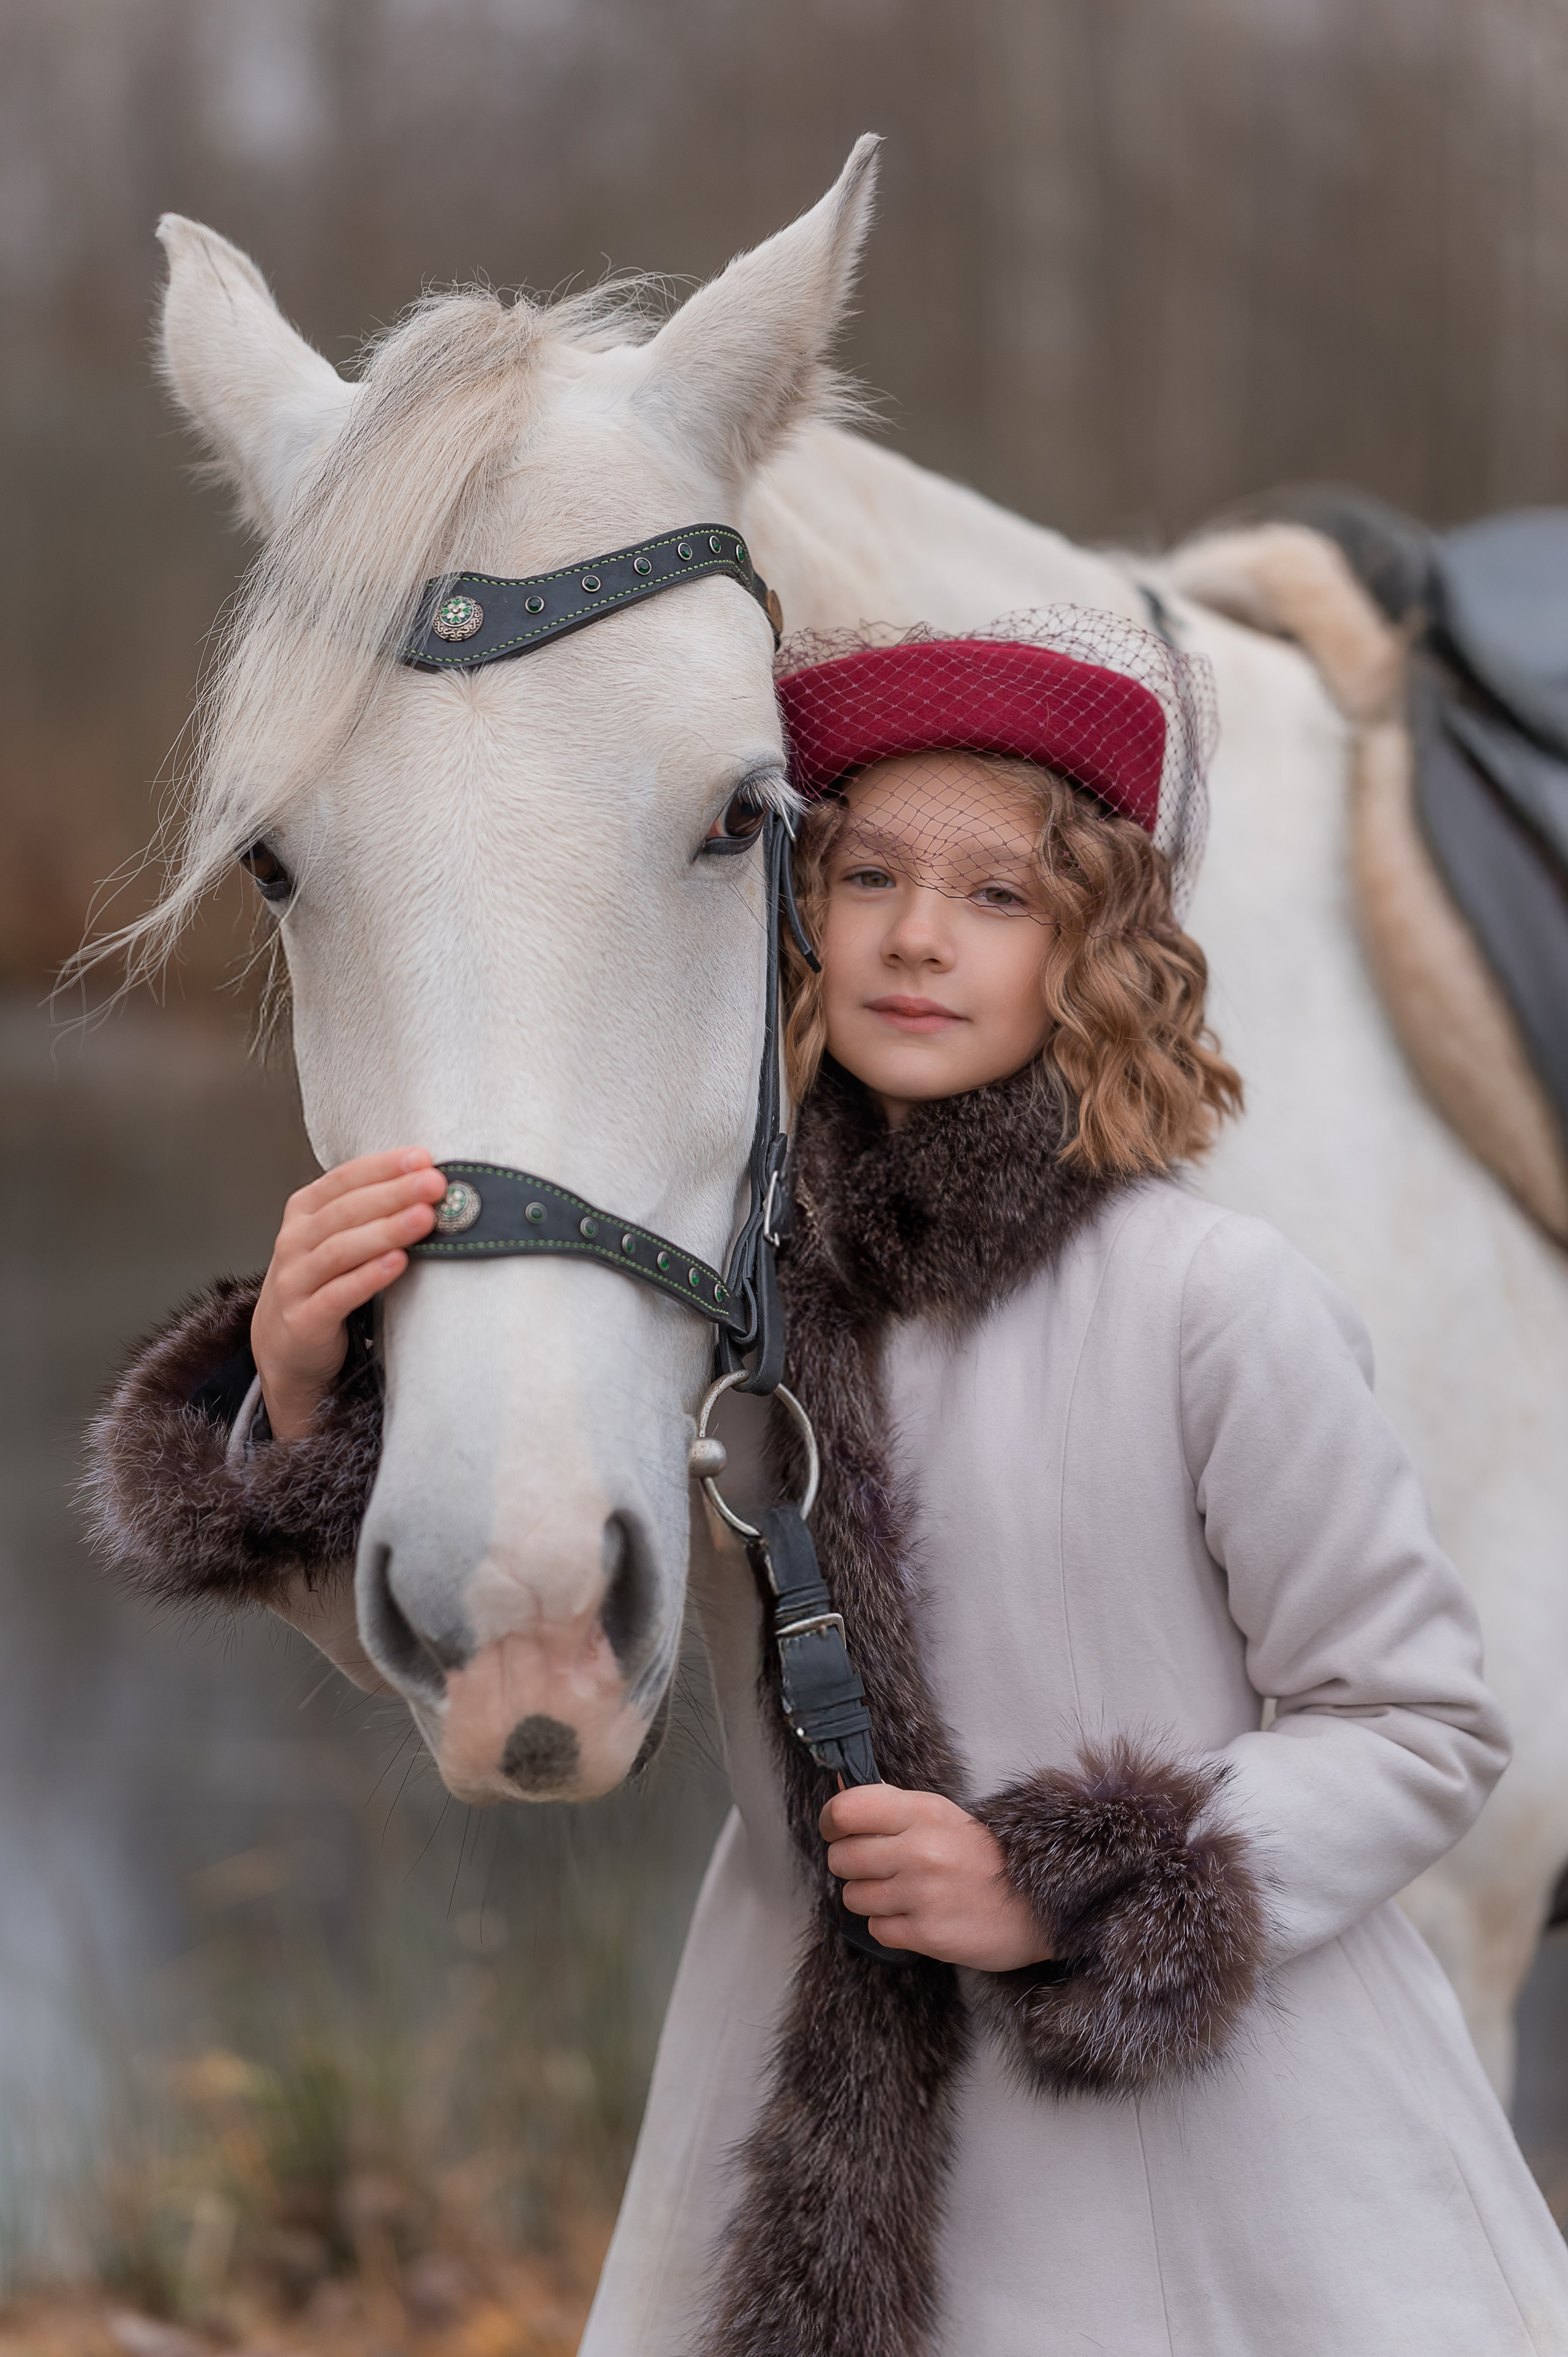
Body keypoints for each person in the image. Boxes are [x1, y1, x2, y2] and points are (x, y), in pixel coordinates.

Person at [88, 614, 1568, 2356]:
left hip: (1216, 2150)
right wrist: (297, 1386)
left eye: (1000, 896)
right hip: (789, 2109)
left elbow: (1419, 1727)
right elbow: (498, 1654)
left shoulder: (1219, 1303)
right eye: (868, 875)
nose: (920, 939)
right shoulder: (713, 1310)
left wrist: (1067, 1883)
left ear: (1095, 944)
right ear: (794, 914)